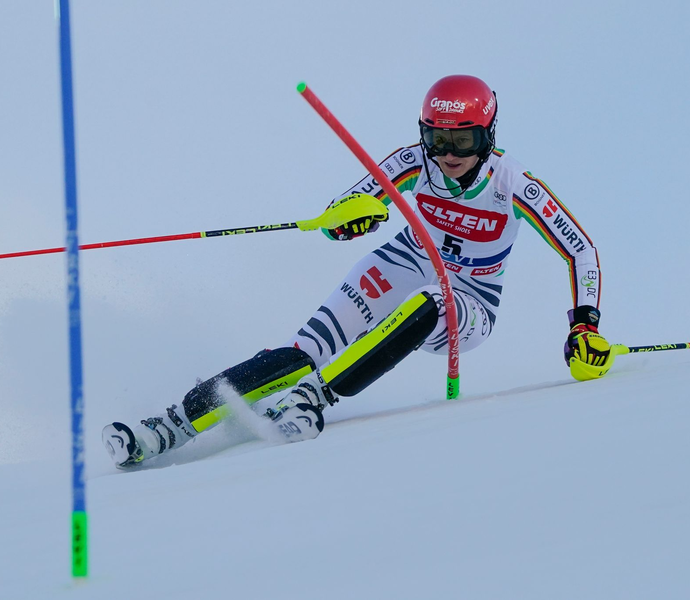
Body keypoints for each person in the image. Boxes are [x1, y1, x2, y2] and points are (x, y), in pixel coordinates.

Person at [102, 74, 615, 468]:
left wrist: (584, 326)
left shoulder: (514, 186)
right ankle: (170, 425)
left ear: (489, 136)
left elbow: (581, 251)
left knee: (433, 303)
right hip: (405, 261)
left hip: (470, 298)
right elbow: (342, 211)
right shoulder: (415, 162)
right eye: (437, 138)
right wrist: (349, 223)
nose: (448, 154)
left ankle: (314, 399)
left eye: (464, 141)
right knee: (304, 350)